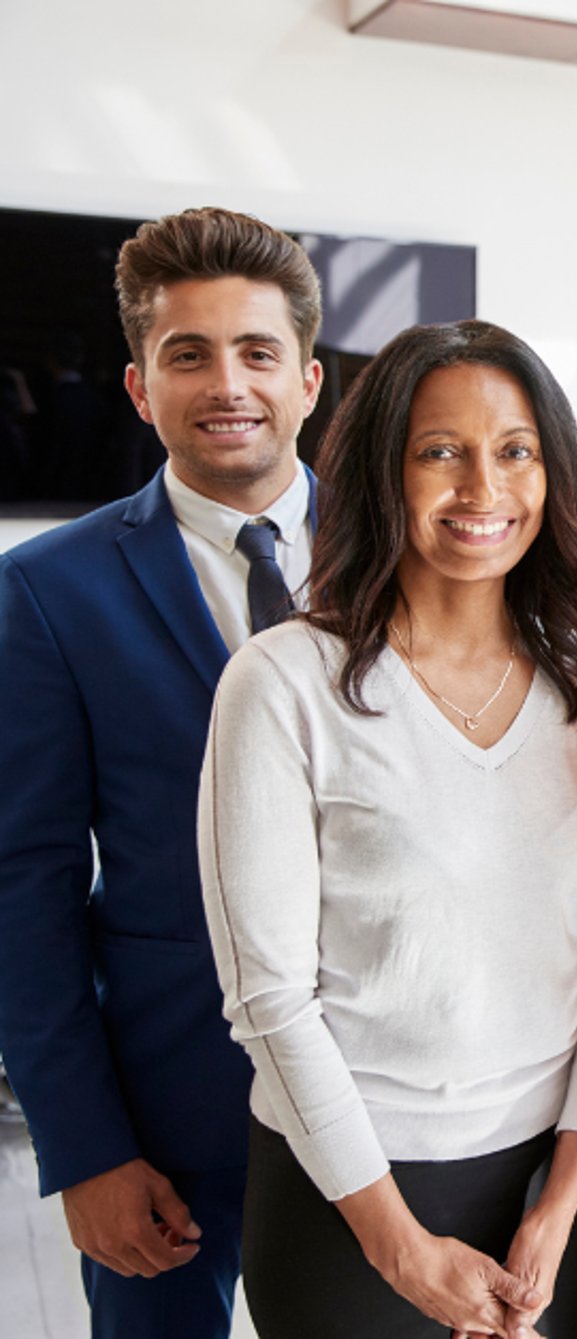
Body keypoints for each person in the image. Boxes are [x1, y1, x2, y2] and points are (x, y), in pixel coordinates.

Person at [197, 320, 577, 1338]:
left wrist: (561, 1199)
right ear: (382, 473)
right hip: (345, 1194)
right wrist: (399, 1247)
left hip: (550, 1187)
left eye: (515, 451)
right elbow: (268, 996)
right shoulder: (282, 685)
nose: (482, 488)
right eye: (440, 451)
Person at [0, 206, 325, 1339]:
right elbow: (24, 887)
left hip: (395, 1099)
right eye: (187, 354)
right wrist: (85, 1149)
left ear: (308, 381)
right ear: (141, 387)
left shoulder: (411, 558)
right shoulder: (48, 590)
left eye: (255, 352)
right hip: (168, 1107)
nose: (225, 382)